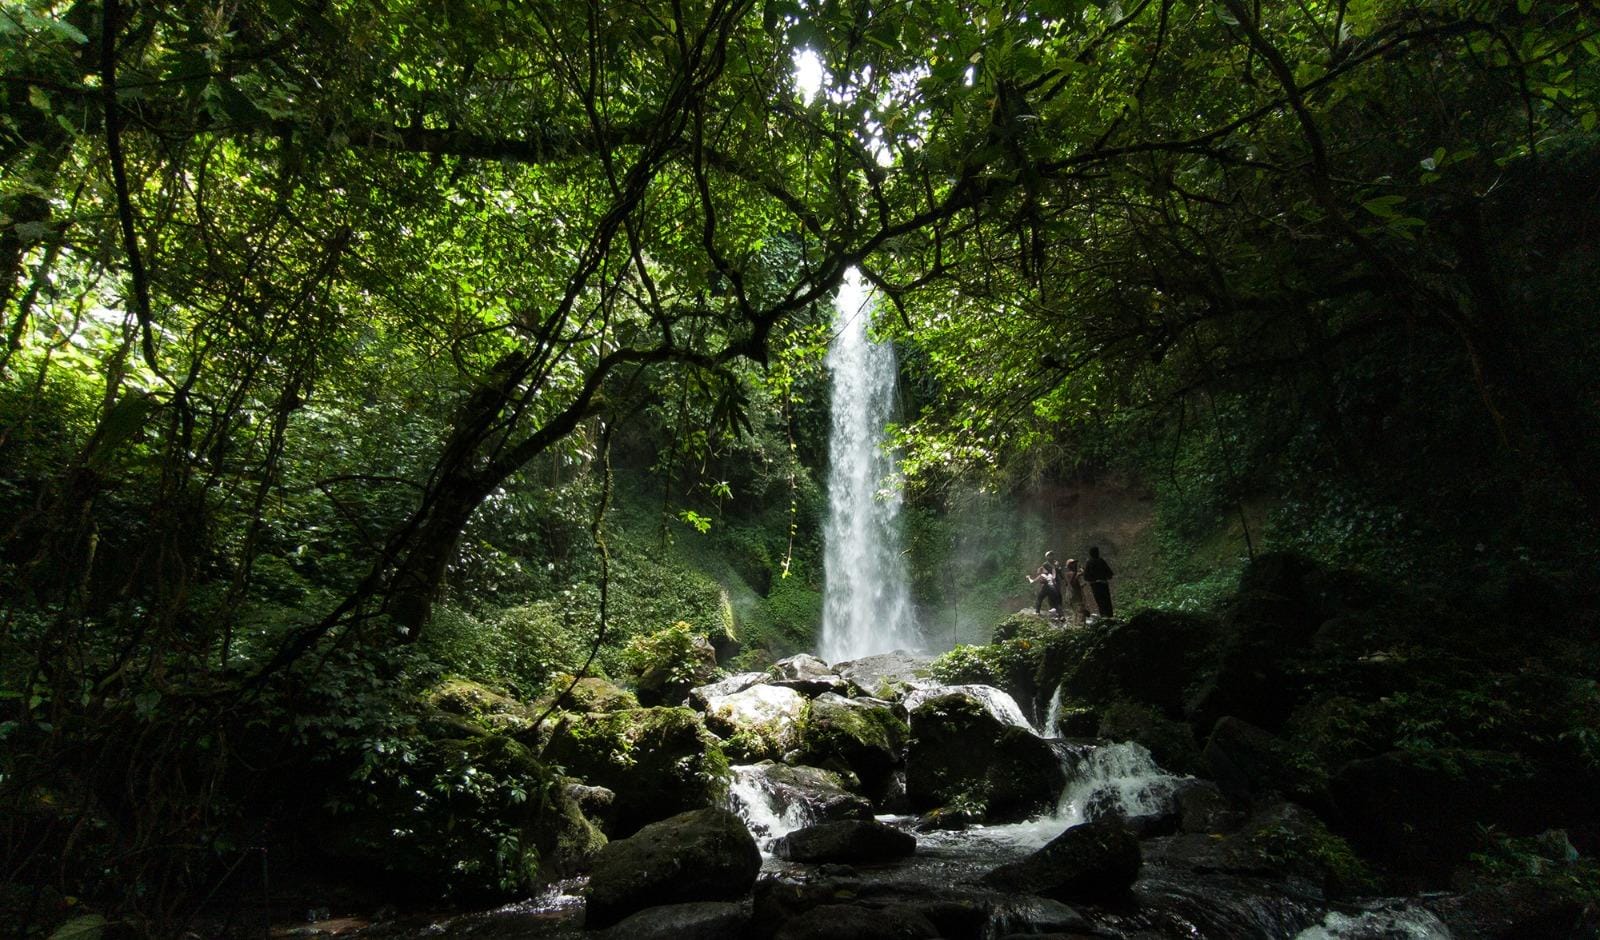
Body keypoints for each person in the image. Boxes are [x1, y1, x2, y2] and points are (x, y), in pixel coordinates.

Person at [1028, 550, 1063, 617]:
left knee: (1056, 598)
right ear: (1046, 557)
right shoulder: (1046, 564)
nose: (1051, 556)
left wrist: (1061, 575)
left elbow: (1059, 572)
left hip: (1054, 583)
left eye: (1052, 555)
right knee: (1046, 597)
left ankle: (1058, 614)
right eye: (1049, 555)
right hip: (1049, 583)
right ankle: (1056, 613)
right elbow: (1047, 572)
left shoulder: (1055, 563)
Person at [1083, 545, 1114, 619]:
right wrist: (1104, 577)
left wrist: (1093, 579)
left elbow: (1086, 577)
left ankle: (1103, 616)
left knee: (1100, 601)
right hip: (1104, 584)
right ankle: (1110, 615)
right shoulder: (1101, 561)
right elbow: (1110, 574)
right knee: (1107, 600)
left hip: (1095, 585)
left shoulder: (1089, 562)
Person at [1063, 558, 1089, 627]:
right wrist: (1078, 573)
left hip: (1076, 595)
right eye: (1073, 563)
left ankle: (1076, 627)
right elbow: (1072, 583)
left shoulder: (1074, 573)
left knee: (1077, 613)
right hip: (1073, 596)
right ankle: (1079, 628)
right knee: (1079, 612)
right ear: (1069, 566)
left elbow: (1076, 583)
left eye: (1075, 563)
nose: (1075, 564)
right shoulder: (1069, 574)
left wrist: (1081, 585)